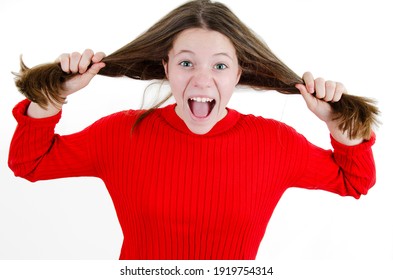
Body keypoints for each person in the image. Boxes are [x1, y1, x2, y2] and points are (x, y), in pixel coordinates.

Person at [8, 0, 377, 260]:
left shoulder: (274, 143)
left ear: (238, 73)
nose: (202, 80)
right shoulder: (122, 134)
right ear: (166, 67)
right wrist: (53, 94)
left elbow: (356, 180)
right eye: (186, 62)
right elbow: (29, 163)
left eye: (219, 66)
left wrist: (337, 122)